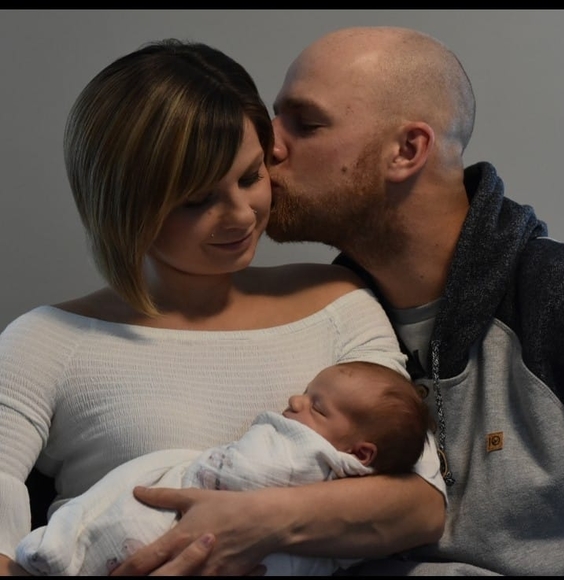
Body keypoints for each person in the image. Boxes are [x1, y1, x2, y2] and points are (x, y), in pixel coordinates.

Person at [110, 26, 564, 577]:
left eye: (305, 123)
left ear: (406, 151)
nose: (266, 145)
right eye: (275, 116)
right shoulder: (325, 321)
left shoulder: (561, 300)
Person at [0, 38, 447, 577]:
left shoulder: (338, 301)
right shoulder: (45, 341)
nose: (240, 214)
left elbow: (422, 505)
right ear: (123, 204)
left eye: (250, 176)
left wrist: (250, 523)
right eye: (197, 199)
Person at [16, 361, 431, 577]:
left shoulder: (308, 454)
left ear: (361, 454)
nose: (295, 401)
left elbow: (425, 508)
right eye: (306, 392)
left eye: (316, 406)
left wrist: (259, 517)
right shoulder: (43, 342)